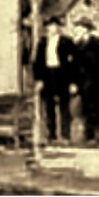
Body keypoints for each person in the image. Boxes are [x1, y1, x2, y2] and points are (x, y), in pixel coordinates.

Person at [32, 16, 77, 145]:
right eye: (50, 26)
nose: (52, 29)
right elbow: (38, 62)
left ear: (59, 28)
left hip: (62, 75)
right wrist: (39, 79)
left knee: (64, 106)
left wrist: (73, 82)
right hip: (48, 75)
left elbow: (74, 63)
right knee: (49, 106)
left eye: (55, 26)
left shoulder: (66, 42)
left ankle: (65, 135)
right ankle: (51, 134)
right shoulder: (42, 42)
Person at [72, 17, 99, 145]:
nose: (78, 31)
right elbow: (74, 66)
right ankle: (88, 134)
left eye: (80, 28)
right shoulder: (77, 45)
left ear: (87, 29)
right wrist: (75, 82)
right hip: (83, 83)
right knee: (85, 109)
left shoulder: (98, 43)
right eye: (77, 28)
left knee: (95, 108)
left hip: (96, 82)